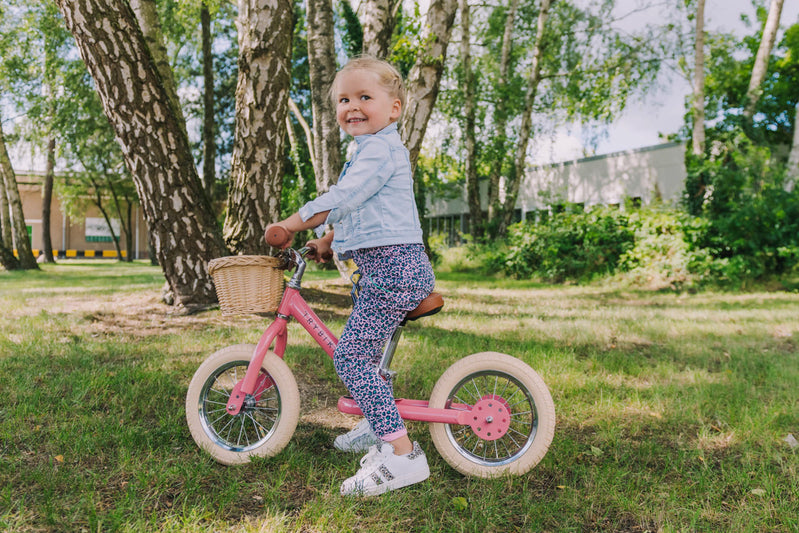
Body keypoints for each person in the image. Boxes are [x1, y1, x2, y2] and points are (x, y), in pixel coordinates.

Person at [265, 56, 435, 497]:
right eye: (344, 99)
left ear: (394, 109)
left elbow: (345, 195)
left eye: (364, 97)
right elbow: (362, 208)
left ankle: (401, 455)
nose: (352, 107)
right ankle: (379, 425)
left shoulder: (380, 149)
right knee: (367, 357)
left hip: (393, 272)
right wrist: (326, 240)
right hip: (384, 270)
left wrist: (294, 222)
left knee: (352, 359)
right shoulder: (369, 150)